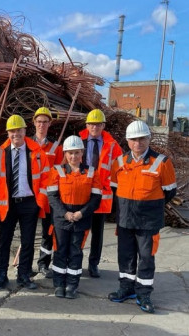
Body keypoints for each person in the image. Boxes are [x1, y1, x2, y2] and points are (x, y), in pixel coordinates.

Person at [108, 120, 176, 314]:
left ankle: (144, 293)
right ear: (128, 141)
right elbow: (114, 188)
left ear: (149, 139)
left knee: (146, 258)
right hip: (125, 219)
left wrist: (148, 204)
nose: (138, 143)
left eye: (142, 138)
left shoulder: (162, 162)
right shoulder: (119, 162)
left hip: (148, 221)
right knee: (125, 256)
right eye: (134, 139)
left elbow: (169, 192)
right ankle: (126, 288)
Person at [0, 114, 50, 290]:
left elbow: (46, 178)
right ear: (8, 133)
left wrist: (40, 202)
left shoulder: (37, 153)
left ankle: (24, 275)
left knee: (28, 241)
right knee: (4, 241)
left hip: (29, 203)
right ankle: (2, 276)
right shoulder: (0, 154)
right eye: (12, 131)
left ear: (25, 131)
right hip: (7, 205)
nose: (16, 134)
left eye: (19, 130)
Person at [47, 135, 102, 299]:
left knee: (76, 252)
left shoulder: (92, 172)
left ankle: (72, 285)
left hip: (81, 218)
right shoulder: (57, 171)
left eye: (77, 153)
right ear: (65, 153)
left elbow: (96, 198)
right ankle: (59, 284)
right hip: (61, 218)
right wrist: (65, 213)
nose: (73, 156)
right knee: (60, 250)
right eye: (70, 153)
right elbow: (52, 196)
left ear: (82, 153)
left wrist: (81, 213)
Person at [79, 109, 122, 278]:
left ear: (103, 125)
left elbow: (120, 169)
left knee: (98, 232)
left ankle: (93, 264)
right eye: (91, 124)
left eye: (98, 124)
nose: (94, 127)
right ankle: (76, 262)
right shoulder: (78, 141)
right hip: (82, 192)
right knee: (79, 231)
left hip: (102, 195)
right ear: (87, 125)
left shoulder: (112, 145)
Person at [31, 107, 63, 278]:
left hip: (49, 197)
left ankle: (43, 264)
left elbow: (59, 173)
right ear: (34, 123)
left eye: (45, 121)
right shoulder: (26, 144)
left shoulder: (56, 147)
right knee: (28, 233)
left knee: (47, 232)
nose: (41, 124)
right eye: (39, 121)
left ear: (50, 123)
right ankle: (25, 265)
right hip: (29, 195)